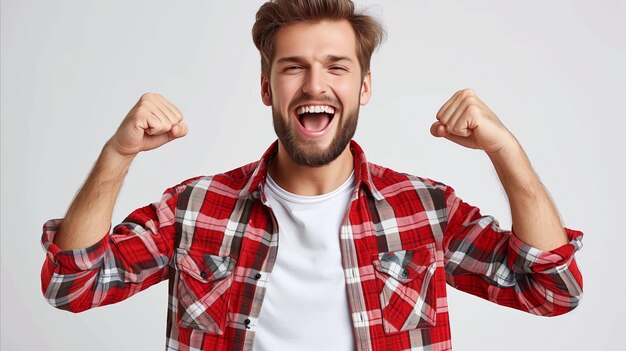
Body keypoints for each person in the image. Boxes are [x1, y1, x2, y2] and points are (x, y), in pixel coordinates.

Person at [40, 0, 584, 350]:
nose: (314, 85)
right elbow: (72, 287)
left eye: (337, 66)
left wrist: (506, 152)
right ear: (265, 87)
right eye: (293, 66)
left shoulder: (425, 210)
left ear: (364, 88)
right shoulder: (195, 208)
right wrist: (117, 154)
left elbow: (551, 291)